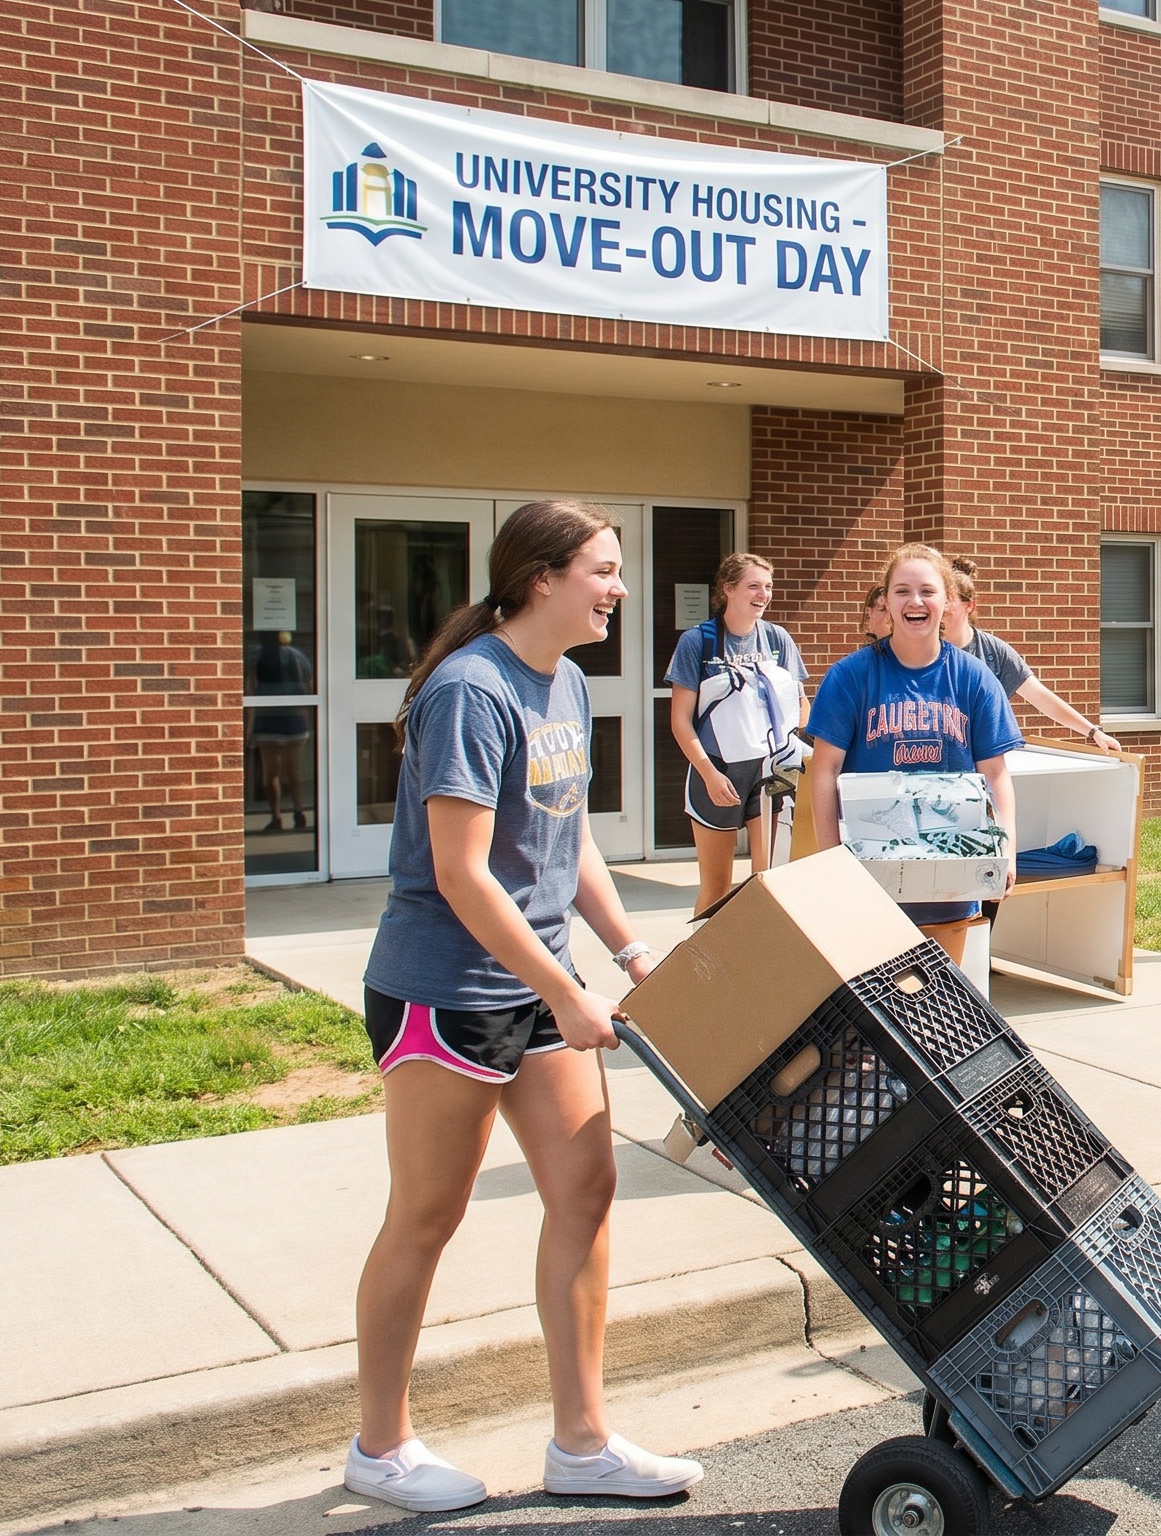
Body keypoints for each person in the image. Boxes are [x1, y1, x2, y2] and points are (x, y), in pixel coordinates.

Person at [344, 500, 702, 1513]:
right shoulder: (472, 691)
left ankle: (581, 1445)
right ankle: (381, 1447)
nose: (619, 588)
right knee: (426, 1216)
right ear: (542, 577)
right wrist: (565, 990)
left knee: (584, 1195)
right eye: (603, 569)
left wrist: (627, 952)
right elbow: (461, 874)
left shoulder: (568, 685)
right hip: (444, 991)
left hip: (539, 983)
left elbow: (564, 835)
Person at [802, 543, 1021, 962]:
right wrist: (830, 859)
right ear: (884, 601)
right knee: (873, 1001)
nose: (915, 601)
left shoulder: (974, 678)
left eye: (927, 591)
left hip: (951, 869)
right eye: (902, 591)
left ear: (949, 601)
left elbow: (995, 774)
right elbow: (825, 770)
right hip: (869, 869)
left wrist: (1005, 848)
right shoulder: (850, 676)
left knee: (938, 996)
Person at [666, 553, 809, 916]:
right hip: (718, 773)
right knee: (717, 888)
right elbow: (681, 720)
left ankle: (759, 965)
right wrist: (708, 773)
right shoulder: (699, 642)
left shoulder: (778, 638)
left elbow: (802, 706)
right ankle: (705, 968)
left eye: (768, 587)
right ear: (728, 589)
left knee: (772, 881)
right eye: (754, 586)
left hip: (770, 773)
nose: (763, 594)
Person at [943, 556, 1121, 752]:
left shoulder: (993, 651)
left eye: (949, 599)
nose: (941, 606)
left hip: (981, 761)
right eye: (938, 597)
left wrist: (1093, 732)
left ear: (970, 605)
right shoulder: (921, 649)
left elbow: (1041, 697)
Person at [248, 631, 314, 832]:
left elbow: (250, 687)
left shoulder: (256, 655)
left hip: (267, 721)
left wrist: (248, 728)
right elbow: (308, 686)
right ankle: (299, 811)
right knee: (294, 771)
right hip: (295, 721)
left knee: (271, 773)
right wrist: (309, 719)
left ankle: (276, 816)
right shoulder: (299, 656)